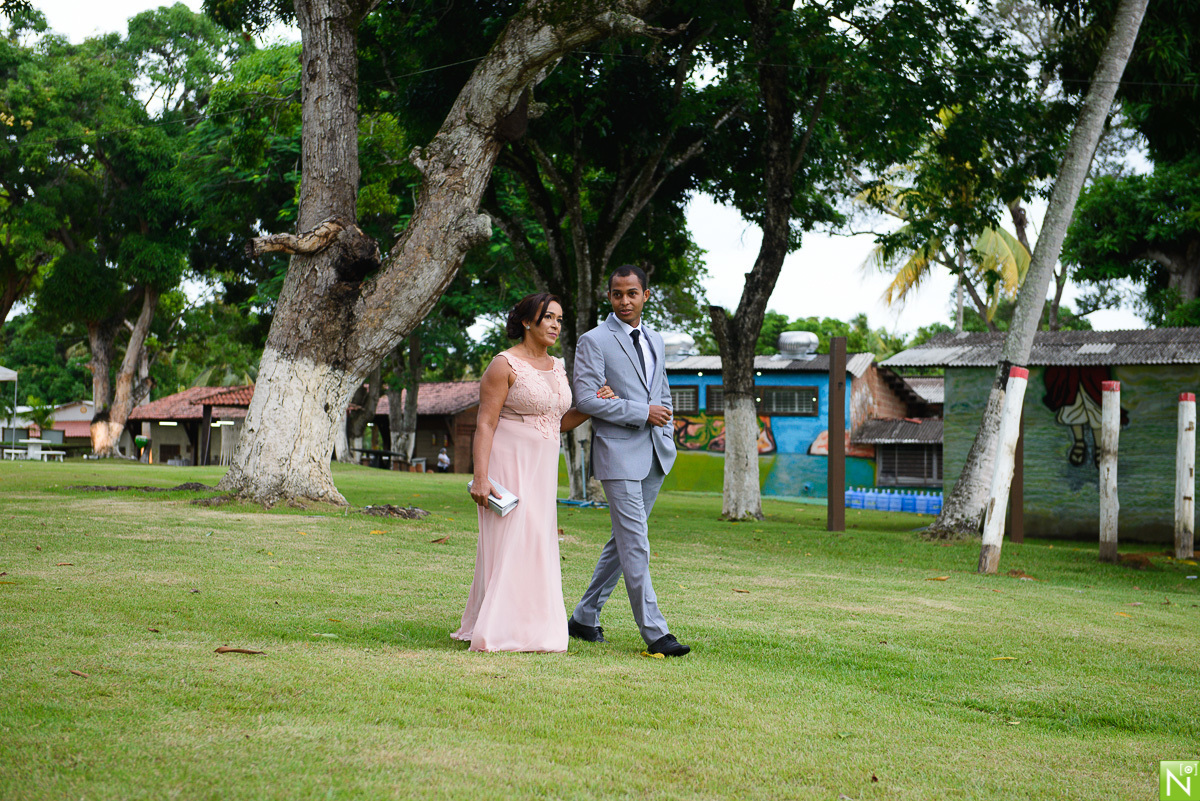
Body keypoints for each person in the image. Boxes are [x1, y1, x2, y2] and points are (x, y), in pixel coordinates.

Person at [452, 293, 614, 653]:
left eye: (559, 318)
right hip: (507, 464)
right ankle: (497, 628)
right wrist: (481, 477)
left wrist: (594, 406)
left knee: (537, 542)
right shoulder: (503, 365)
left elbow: (557, 421)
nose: (556, 325)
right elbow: (485, 423)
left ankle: (533, 627)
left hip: (542, 468)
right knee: (510, 541)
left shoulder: (558, 366)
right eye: (549, 318)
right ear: (527, 322)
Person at [567, 265, 689, 657]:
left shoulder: (655, 338)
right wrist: (642, 412)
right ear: (609, 296)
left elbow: (662, 391)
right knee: (636, 543)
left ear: (645, 295)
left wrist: (663, 424)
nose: (624, 301)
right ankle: (656, 634)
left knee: (622, 543)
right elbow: (586, 399)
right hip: (618, 454)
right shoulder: (593, 340)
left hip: (656, 453)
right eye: (617, 294)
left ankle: (584, 618)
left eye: (632, 293)